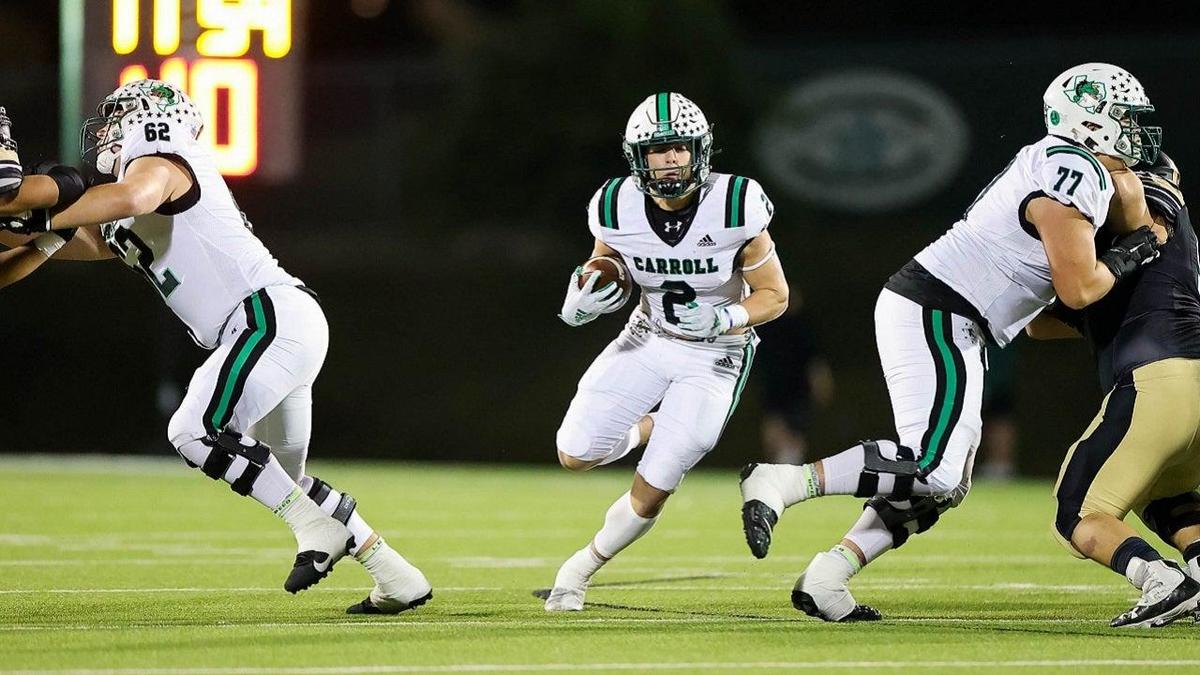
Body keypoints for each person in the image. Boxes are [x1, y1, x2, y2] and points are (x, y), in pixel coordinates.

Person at [738, 62, 1164, 621]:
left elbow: (1041, 319)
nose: (1135, 131)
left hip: (953, 316)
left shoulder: (1063, 164)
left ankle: (828, 575)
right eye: (1124, 118)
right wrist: (1134, 251)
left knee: (944, 485)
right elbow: (1081, 287)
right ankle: (784, 479)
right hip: (940, 308)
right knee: (934, 467)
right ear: (1090, 122)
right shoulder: (1072, 165)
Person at [0, 80, 431, 614]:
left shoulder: (162, 157)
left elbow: (132, 197)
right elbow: (46, 243)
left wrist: (34, 213)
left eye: (115, 119)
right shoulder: (127, 204)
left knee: (193, 430)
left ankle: (312, 525)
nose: (105, 133)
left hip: (264, 318)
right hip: (278, 326)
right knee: (281, 476)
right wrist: (23, 224)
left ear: (149, 117)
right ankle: (396, 575)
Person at [544, 92, 789, 611]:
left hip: (715, 355)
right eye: (659, 150)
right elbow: (609, 264)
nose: (671, 159)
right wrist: (588, 290)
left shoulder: (736, 204)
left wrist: (727, 315)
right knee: (575, 453)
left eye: (679, 147)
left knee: (657, 481)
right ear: (639, 157)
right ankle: (653, 424)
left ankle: (579, 569)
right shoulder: (614, 205)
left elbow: (776, 295)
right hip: (648, 336)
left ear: (700, 150)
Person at [1027, 151, 1200, 627]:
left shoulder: (1145, 204)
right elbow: (1041, 325)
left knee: (1076, 510)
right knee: (1163, 492)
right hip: (1188, 377)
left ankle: (1161, 580)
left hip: (1157, 380)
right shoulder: (1143, 249)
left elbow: (1134, 202)